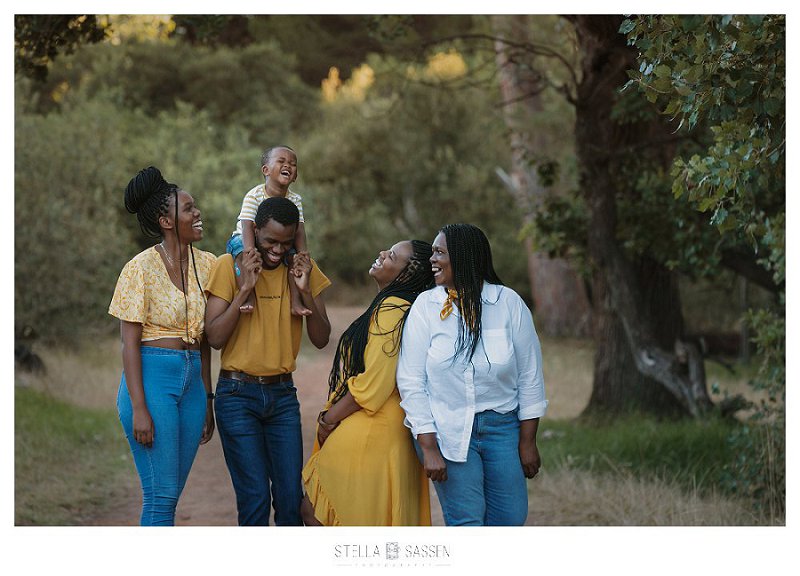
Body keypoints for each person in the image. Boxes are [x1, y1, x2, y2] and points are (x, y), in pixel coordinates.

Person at [396, 223, 548, 526]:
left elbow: (530, 377)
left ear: (464, 257)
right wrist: (428, 446)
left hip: (503, 428)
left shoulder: (508, 304)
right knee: (467, 523)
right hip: (446, 429)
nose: (432, 259)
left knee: (510, 520)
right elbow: (411, 381)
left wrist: (527, 441)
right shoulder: (427, 306)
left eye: (440, 252)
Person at [204, 196, 332, 526]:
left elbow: (321, 338)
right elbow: (214, 337)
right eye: (270, 241)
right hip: (237, 396)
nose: (277, 250)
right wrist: (245, 289)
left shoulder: (302, 267)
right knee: (255, 498)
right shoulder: (227, 266)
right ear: (254, 231)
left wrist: (303, 291)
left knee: (291, 497)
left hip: (282, 398)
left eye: (285, 243)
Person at [108, 166, 216, 526]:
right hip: (153, 379)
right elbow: (128, 345)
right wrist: (139, 408)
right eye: (188, 209)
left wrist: (208, 398)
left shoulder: (210, 265)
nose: (197, 213)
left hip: (192, 385)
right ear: (166, 221)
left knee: (169, 496)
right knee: (161, 495)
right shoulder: (139, 268)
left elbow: (205, 339)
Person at [301, 240, 435, 526]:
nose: (382, 254)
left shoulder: (392, 310)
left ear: (407, 273)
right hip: (390, 431)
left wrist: (328, 419)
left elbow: (374, 384)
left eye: (393, 256)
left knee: (316, 511)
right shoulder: (401, 307)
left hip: (375, 431)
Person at [227, 145, 310, 316]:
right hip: (245, 238)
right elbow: (247, 224)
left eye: (292, 164)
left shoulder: (295, 199)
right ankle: (248, 294)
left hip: (280, 241)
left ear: (295, 176)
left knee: (294, 260)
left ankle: (295, 301)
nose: (288, 165)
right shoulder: (254, 195)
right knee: (242, 254)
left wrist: (303, 254)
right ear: (266, 170)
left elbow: (299, 229)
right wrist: (250, 250)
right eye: (281, 161)